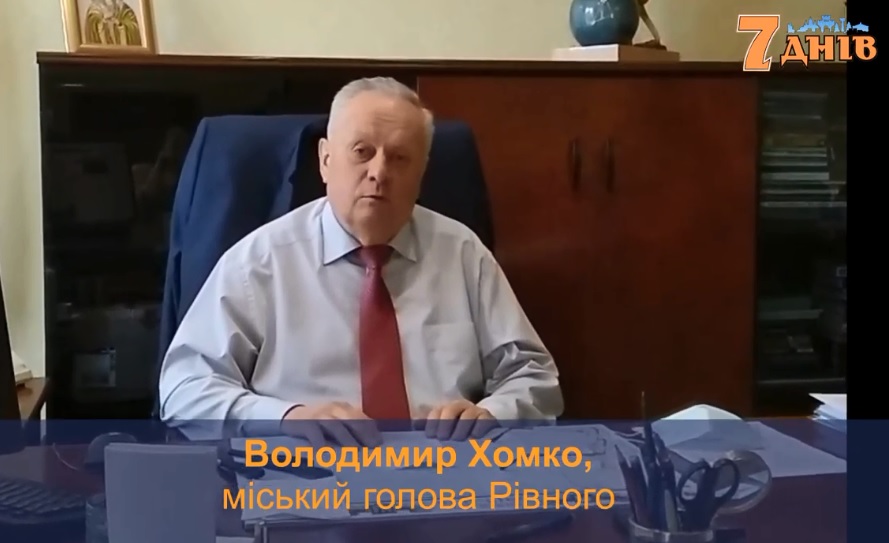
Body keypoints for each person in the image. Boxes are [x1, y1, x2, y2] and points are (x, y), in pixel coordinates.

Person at [157, 77, 563, 445]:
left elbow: (534, 378)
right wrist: (285, 418)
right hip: (307, 475)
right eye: (361, 152)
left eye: (399, 157)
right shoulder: (260, 262)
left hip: (444, 474)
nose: (379, 172)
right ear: (325, 160)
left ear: (421, 173)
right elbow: (183, 389)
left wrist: (492, 413)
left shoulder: (462, 253)